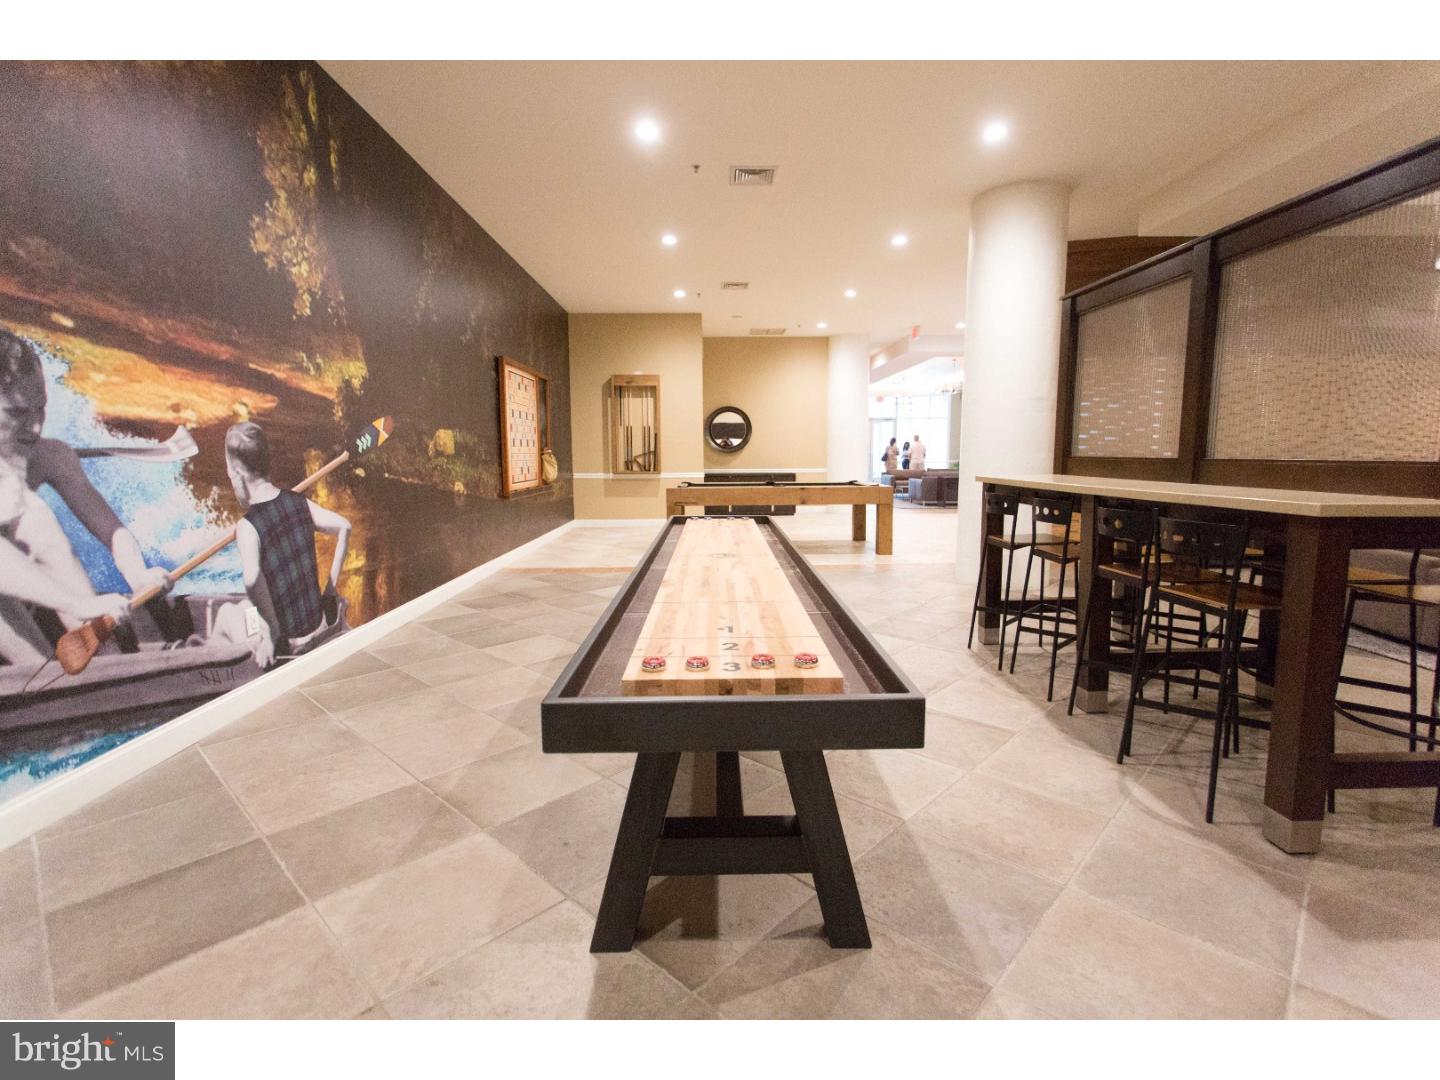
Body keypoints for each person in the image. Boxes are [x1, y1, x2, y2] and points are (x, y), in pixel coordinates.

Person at [0, 331, 137, 664]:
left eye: (41, 409)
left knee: (38, 521)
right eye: (18, 414)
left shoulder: (47, 456)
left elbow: (111, 530)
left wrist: (139, 575)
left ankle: (103, 658)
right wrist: (75, 604)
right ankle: (44, 676)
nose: (36, 427)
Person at [225, 421, 351, 668]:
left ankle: (215, 669)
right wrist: (330, 591)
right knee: (245, 606)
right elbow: (344, 527)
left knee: (227, 613)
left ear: (238, 473)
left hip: (287, 642)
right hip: (318, 625)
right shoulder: (298, 502)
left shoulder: (247, 527)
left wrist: (272, 632)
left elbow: (252, 579)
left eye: (229, 471)